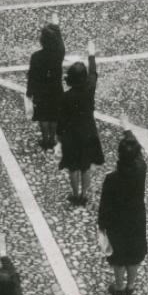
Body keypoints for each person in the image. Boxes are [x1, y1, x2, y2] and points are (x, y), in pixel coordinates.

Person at [98, 130, 148, 295]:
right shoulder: (141, 171)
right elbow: (139, 156)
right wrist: (129, 134)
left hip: (117, 222)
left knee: (118, 255)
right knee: (134, 254)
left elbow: (104, 204)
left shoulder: (112, 179)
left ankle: (119, 286)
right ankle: (130, 285)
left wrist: (102, 225)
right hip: (136, 219)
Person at [57, 42, 104, 204]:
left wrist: (59, 136)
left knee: (73, 167)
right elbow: (93, 72)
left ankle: (75, 194)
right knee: (85, 166)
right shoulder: (90, 88)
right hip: (88, 131)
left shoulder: (66, 97)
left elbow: (61, 119)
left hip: (71, 135)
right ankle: (84, 195)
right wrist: (91, 55)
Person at [26, 22, 65, 150]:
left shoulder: (36, 57)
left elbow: (31, 75)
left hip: (41, 90)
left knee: (42, 115)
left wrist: (29, 92)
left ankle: (45, 139)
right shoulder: (59, 54)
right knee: (54, 115)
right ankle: (52, 139)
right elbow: (61, 44)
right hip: (55, 88)